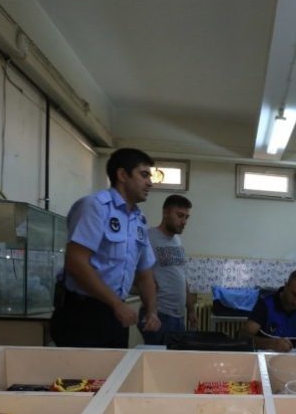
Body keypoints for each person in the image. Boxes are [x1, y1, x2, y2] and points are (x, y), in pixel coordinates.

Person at [50, 148, 161, 348]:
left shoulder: (139, 220)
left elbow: (145, 273)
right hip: (83, 314)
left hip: (116, 315)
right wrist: (117, 304)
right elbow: (76, 262)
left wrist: (152, 311)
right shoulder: (95, 207)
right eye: (144, 175)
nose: (150, 183)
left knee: (114, 376)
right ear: (122, 175)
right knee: (82, 377)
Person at [139, 194, 197, 345]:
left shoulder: (177, 240)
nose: (184, 221)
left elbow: (181, 276)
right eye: (180, 215)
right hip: (159, 315)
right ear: (165, 213)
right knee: (159, 363)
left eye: (186, 217)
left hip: (178, 316)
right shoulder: (149, 237)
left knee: (176, 362)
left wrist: (190, 309)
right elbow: (136, 271)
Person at [242, 270, 296, 352]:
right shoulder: (266, 305)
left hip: (293, 361)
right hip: (262, 360)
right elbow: (244, 337)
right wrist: (269, 344)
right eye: (294, 294)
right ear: (286, 286)